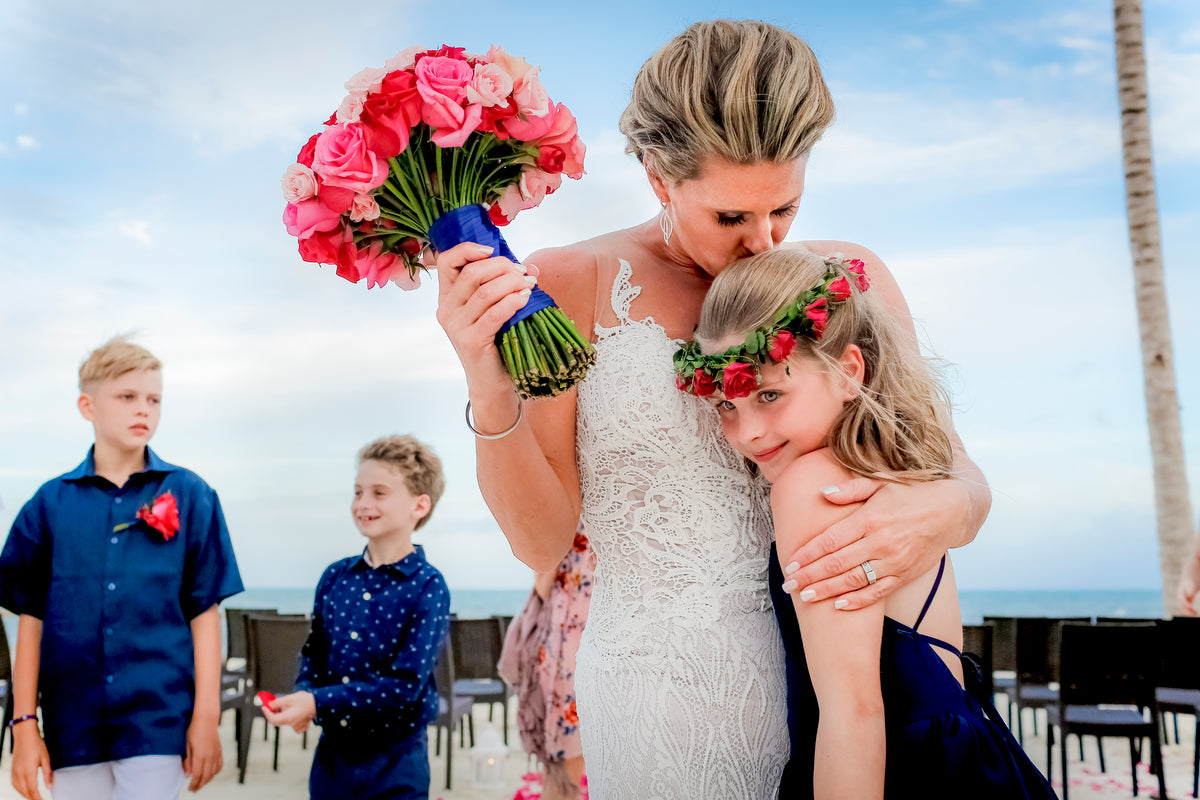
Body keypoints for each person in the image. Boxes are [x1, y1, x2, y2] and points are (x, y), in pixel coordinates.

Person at [433, 19, 991, 796]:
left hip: (863, 685)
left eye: (784, 210)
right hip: (663, 700)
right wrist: (487, 385)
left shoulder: (851, 277)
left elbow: (962, 477)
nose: (764, 242)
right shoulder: (569, 282)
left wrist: (937, 514)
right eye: (732, 217)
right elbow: (542, 542)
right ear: (660, 179)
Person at [681, 246, 1053, 798]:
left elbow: (853, 712)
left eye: (769, 394)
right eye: (726, 406)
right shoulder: (893, 467)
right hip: (971, 755)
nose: (749, 432)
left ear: (848, 371)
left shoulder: (813, 485)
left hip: (904, 773)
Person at [0, 336, 244, 800]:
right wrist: (25, 725)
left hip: (159, 721)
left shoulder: (192, 495)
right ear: (87, 406)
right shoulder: (47, 505)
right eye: (127, 397)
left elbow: (204, 613)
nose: (143, 410)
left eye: (154, 399)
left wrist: (206, 718)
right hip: (73, 725)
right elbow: (30, 621)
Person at [263, 434, 450, 800]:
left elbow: (405, 685)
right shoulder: (335, 577)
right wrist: (303, 695)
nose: (363, 503)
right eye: (358, 491)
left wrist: (317, 701)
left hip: (398, 760)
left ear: (420, 505)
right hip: (333, 757)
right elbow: (315, 653)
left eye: (379, 493)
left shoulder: (429, 586)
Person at [498, 522, 594, 800]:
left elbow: (543, 581)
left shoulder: (573, 512)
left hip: (569, 636)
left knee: (563, 771)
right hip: (614, 629)